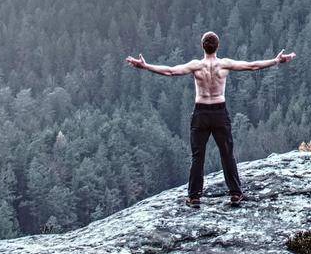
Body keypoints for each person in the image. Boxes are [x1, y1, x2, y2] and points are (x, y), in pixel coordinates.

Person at [126, 32, 295, 207]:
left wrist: (145, 66)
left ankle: (194, 197)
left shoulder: (196, 66)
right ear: (217, 46)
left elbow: (170, 72)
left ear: (202, 46)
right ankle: (236, 194)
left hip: (201, 113)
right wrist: (276, 61)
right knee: (227, 154)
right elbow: (252, 66)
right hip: (219, 112)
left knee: (198, 156)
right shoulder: (224, 64)